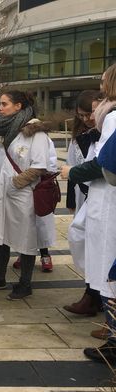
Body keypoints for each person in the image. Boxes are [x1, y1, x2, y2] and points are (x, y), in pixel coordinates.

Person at [0, 90, 50, 300]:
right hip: (5, 191)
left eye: (4, 104)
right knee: (2, 234)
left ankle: (25, 283)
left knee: (25, 237)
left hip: (23, 194)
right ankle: (0, 277)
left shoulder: (35, 132)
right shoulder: (7, 129)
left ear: (18, 106)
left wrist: (15, 183)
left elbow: (40, 165)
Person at [81, 63, 116, 363]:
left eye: (104, 80)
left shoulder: (114, 117)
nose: (101, 84)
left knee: (109, 269)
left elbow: (105, 163)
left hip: (110, 203)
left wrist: (74, 170)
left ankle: (114, 336)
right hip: (106, 200)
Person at [62, 90, 103, 318]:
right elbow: (70, 166)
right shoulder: (79, 137)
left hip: (99, 195)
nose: (86, 119)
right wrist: (70, 198)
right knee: (84, 240)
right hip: (84, 195)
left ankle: (93, 295)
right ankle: (93, 293)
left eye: (90, 113)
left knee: (93, 244)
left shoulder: (104, 133)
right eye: (82, 115)